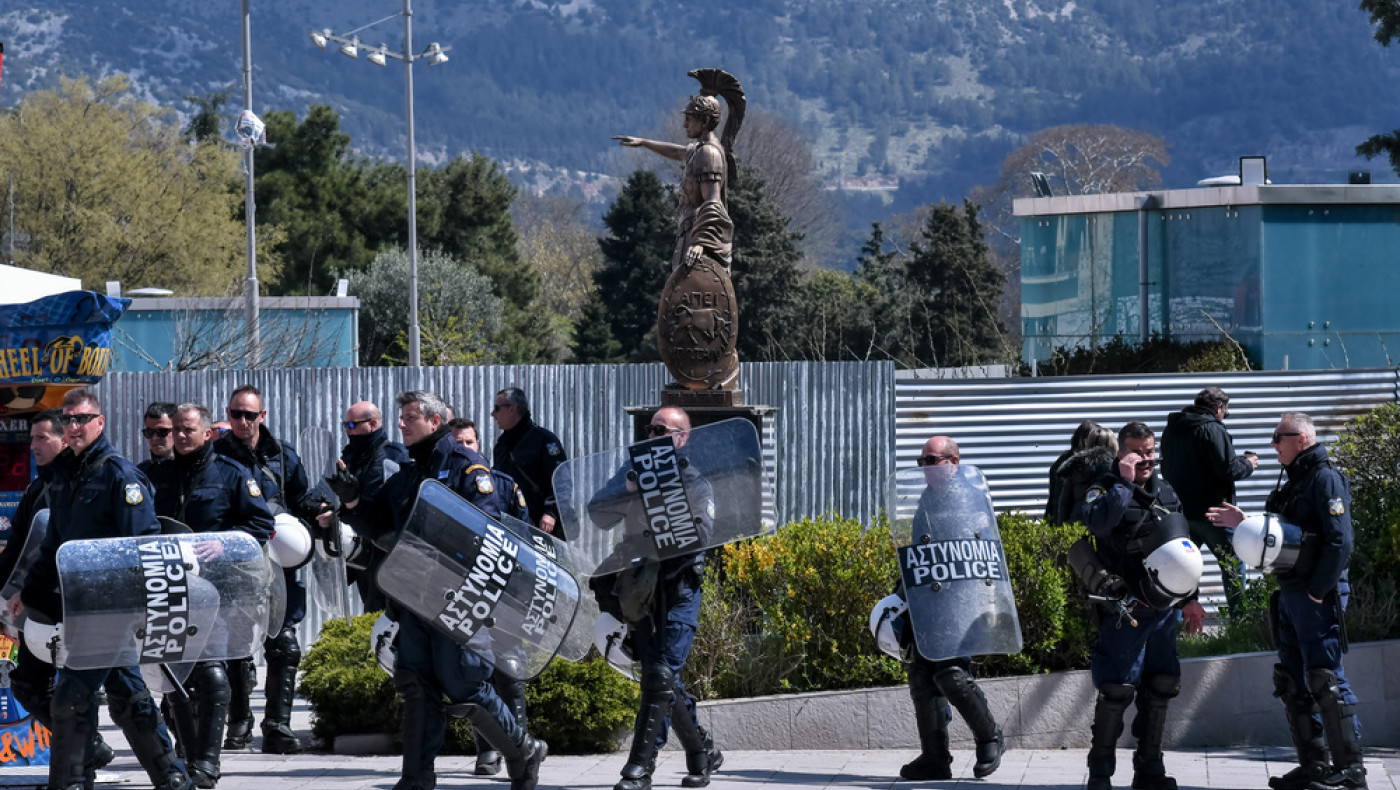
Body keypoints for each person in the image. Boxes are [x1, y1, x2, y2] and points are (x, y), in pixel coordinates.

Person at [330, 390, 547, 790]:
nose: (401, 424)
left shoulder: (468, 468)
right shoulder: (408, 475)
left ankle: (522, 750)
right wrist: (353, 500)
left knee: (463, 683)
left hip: (457, 598)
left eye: (410, 417)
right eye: (401, 417)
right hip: (415, 597)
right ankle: (416, 778)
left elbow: (488, 529)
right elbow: (379, 527)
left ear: (434, 421)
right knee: (415, 682)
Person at [10, 389, 193, 790]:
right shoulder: (63, 478)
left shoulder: (120, 476)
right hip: (75, 608)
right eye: (69, 420)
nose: (73, 427)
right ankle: (174, 779)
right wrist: (31, 593)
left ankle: (70, 784)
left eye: (81, 419)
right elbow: (54, 547)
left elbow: (144, 548)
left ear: (99, 422)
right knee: (129, 698)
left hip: (111, 609)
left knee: (71, 699)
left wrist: (139, 610)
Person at [1208, 413, 1364, 790]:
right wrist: (1245, 520)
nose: (1274, 443)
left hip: (1315, 594)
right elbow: (1284, 534)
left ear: (1303, 439)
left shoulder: (1325, 478)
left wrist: (1318, 589)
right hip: (1293, 592)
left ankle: (1351, 773)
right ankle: (1315, 766)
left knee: (1325, 679)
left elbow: (1340, 542)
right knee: (1292, 681)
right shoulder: (1297, 481)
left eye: (1280, 436)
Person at [587, 407, 724, 790]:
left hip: (678, 589)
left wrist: (661, 501)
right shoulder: (632, 473)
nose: (652, 434)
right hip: (640, 589)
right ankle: (701, 751)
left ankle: (640, 768)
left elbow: (700, 534)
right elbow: (598, 514)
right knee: (657, 674)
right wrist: (627, 491)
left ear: (681, 438)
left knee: (660, 672)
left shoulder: (696, 483)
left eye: (662, 429)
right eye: (650, 428)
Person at [148, 404, 275, 788]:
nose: (181, 436)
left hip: (217, 591)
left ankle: (208, 762)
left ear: (207, 433)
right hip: (168, 588)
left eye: (188, 430)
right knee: (174, 677)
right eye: (176, 431)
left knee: (213, 675)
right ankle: (185, 755)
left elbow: (261, 523)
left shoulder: (231, 475)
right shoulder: (155, 477)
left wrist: (225, 545)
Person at [1076, 421, 1206, 790]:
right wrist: (1124, 481)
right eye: (1137, 453)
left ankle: (1149, 769)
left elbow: (1184, 548)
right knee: (1117, 687)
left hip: (1164, 606)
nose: (1146, 459)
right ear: (1121, 454)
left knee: (1162, 684)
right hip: (1124, 609)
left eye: (1149, 452)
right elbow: (1100, 525)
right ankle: (1100, 771)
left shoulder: (1167, 492)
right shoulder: (1103, 488)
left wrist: (1192, 600)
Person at [3, 410, 118, 777]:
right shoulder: (39, 488)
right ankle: (87, 750)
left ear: (63, 440)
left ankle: (172, 772)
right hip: (42, 607)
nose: (33, 446)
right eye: (32, 439)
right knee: (28, 682)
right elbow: (18, 548)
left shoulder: (86, 483)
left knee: (108, 693)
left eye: (41, 438)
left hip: (84, 607)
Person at [214, 385, 320, 754]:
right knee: (236, 645)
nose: (242, 421)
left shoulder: (282, 455)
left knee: (284, 645)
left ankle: (277, 726)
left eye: (249, 414)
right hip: (235, 564)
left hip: (279, 563)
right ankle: (239, 724)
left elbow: (302, 499)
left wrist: (320, 514)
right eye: (235, 414)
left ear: (263, 416)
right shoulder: (215, 456)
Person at [895, 436, 1005, 781]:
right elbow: (918, 552)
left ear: (953, 462)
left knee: (951, 675)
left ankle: (990, 736)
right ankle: (935, 757)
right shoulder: (926, 498)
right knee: (921, 676)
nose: (926, 467)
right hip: (925, 599)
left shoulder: (967, 498)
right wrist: (901, 592)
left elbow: (978, 552)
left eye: (933, 460)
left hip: (958, 603)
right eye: (922, 461)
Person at [1162, 386, 1257, 618]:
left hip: (1181, 514)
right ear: (1218, 408)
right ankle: (1240, 620)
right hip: (1215, 515)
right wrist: (1248, 463)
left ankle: (1175, 623)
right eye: (1225, 411)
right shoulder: (1213, 429)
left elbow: (1166, 469)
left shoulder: (1173, 429)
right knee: (1232, 565)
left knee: (1181, 569)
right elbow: (1228, 468)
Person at [615, 96, 733, 275]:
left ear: (705, 121)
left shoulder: (709, 153)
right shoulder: (699, 150)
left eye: (689, 119)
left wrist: (700, 242)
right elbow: (677, 151)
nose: (685, 125)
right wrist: (644, 142)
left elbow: (713, 202)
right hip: (689, 230)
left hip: (697, 236)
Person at [330, 401, 407, 612]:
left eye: (352, 425)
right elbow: (326, 492)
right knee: (369, 613)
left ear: (372, 423)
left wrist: (355, 501)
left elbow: (390, 510)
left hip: (384, 552)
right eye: (345, 425)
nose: (347, 430)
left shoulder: (392, 457)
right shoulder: (350, 457)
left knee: (384, 615)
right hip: (359, 552)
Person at [491, 387, 566, 537]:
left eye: (497, 408)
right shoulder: (502, 444)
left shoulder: (544, 440)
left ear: (512, 409)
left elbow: (562, 480)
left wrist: (551, 513)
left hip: (541, 526)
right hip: (511, 525)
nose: (493, 414)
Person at [1052, 422, 1119, 527]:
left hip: (1075, 528)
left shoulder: (1074, 467)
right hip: (1104, 529)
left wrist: (1062, 529)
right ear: (1114, 444)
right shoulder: (1116, 469)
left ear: (1089, 443)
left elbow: (1064, 504)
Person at [139, 402, 178, 476]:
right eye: (149, 432)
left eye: (162, 431)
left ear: (177, 430)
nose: (155, 438)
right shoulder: (141, 473)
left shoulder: (192, 471)